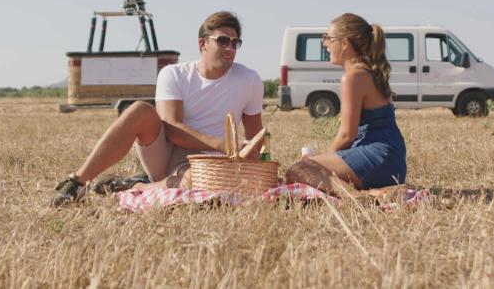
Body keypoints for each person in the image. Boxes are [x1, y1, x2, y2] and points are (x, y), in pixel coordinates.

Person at [51, 11, 264, 206]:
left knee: (196, 181)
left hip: (213, 165)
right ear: (203, 44)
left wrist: (254, 156)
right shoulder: (174, 74)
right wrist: (222, 144)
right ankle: (76, 184)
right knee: (140, 110)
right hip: (169, 153)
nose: (230, 48)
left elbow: (256, 136)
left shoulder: (249, 80)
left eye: (235, 43)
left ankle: (137, 187)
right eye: (223, 41)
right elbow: (171, 128)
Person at [285, 13, 406, 191]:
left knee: (299, 170)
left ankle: (359, 199)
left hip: (379, 158)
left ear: (345, 43)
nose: (325, 43)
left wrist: (320, 163)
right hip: (391, 159)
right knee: (310, 168)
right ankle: (374, 193)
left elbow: (347, 135)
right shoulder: (369, 72)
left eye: (328, 38)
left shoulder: (353, 77)